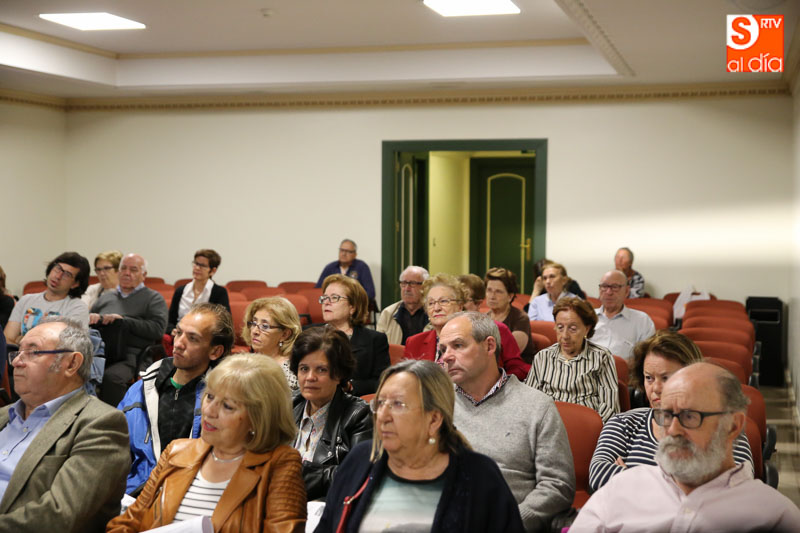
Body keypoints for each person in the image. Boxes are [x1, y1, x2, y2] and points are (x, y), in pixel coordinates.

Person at [572, 363, 800, 532]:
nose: (673, 430)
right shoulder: (622, 488)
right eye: (667, 415)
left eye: (690, 416)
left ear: (732, 426)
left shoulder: (774, 516)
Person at [316, 359, 525, 532]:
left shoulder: (479, 476)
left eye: (398, 404)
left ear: (434, 420)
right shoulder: (362, 459)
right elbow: (327, 527)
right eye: (380, 403)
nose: (383, 416)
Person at [107, 354, 306, 532]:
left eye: (227, 406)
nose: (209, 411)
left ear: (258, 417)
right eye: (209, 396)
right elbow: (128, 523)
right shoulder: (176, 452)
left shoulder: (280, 464)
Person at [441, 311, 575, 532]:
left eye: (458, 345)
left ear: (489, 346)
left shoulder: (536, 406)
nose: (446, 356)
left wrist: (510, 521)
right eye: (443, 349)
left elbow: (557, 485)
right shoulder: (438, 405)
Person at [0, 318, 129, 533]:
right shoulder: (4, 415)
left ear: (71, 364)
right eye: (18, 352)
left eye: (33, 352)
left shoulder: (100, 424)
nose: (16, 362)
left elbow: (58, 516)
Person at [588, 331, 753, 491]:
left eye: (666, 378)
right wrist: (693, 483)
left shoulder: (721, 425)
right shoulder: (624, 423)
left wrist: (629, 477)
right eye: (649, 378)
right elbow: (598, 474)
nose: (656, 388)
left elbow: (738, 485)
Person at [118, 303, 234, 496]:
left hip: (193, 497)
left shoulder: (226, 401)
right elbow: (116, 449)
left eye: (192, 338)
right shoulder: (141, 389)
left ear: (215, 351)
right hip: (136, 493)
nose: (178, 343)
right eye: (178, 333)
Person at [290, 326, 372, 500]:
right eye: (304, 369)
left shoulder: (359, 415)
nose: (310, 377)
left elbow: (358, 475)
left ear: (339, 374)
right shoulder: (288, 405)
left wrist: (297, 474)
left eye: (321, 370)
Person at [407, 273, 530, 381]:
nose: (436, 308)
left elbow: (519, 368)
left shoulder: (494, 329)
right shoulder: (414, 342)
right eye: (431, 303)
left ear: (460, 306)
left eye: (444, 301)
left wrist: (495, 387)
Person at [90, 253, 168, 406]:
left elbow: (158, 330)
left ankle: (116, 423)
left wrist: (124, 320)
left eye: (133, 270)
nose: (127, 273)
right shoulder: (106, 298)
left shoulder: (153, 298)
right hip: (101, 351)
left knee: (111, 377)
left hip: (133, 354)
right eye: (123, 268)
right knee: (76, 372)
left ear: (143, 274)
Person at [525, 296, 619, 422]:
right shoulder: (543, 357)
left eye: (573, 329)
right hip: (548, 427)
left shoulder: (601, 357)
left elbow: (610, 408)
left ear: (587, 328)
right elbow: (529, 401)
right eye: (560, 327)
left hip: (586, 429)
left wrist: (589, 430)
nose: (565, 336)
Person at [4, 251, 91, 344]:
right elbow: (7, 339)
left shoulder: (78, 308)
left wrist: (21, 340)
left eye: (67, 274)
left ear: (75, 284)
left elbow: (68, 346)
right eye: (58, 269)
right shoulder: (26, 300)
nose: (58, 276)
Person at [592, 270, 655, 361]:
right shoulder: (587, 318)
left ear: (626, 291)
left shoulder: (642, 321)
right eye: (604, 286)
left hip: (624, 374)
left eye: (615, 287)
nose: (609, 292)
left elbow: (647, 359)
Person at [242, 297, 303, 390]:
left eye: (265, 326)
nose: (254, 331)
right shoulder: (248, 361)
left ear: (285, 334)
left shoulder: (288, 375)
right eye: (254, 323)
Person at [167, 249, 230, 332]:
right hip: (179, 333)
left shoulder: (219, 292)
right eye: (196, 263)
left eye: (202, 265)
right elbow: (170, 320)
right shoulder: (180, 291)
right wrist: (172, 330)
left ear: (212, 271)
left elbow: (223, 323)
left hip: (204, 336)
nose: (197, 268)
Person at [485, 267, 535, 364]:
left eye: (498, 291)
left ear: (510, 296)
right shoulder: (483, 318)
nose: (492, 296)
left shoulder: (520, 318)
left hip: (517, 372)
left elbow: (509, 353)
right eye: (489, 290)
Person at [376, 265, 429, 345]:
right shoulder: (388, 313)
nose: (407, 289)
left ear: (425, 287)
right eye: (404, 283)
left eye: (412, 283)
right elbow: (378, 345)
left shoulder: (433, 313)